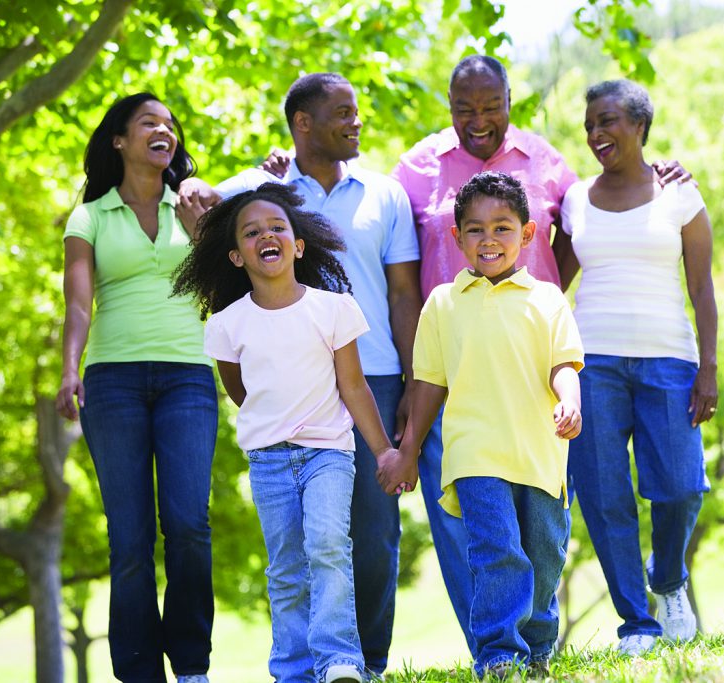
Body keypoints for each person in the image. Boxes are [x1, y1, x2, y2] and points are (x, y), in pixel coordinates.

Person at [387, 54, 693, 651]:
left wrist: (652, 170)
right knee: (482, 533)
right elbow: (401, 277)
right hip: (460, 374)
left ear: (508, 101)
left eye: (490, 107)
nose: (478, 119)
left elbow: (596, 215)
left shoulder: (547, 164)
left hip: (535, 384)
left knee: (543, 536)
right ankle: (496, 648)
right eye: (463, 108)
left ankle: (537, 638)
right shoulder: (415, 170)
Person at [179, 73, 421, 676]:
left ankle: (363, 658)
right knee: (298, 552)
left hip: (374, 375)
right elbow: (205, 206)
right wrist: (192, 184)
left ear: (299, 243)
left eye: (357, 112)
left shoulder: (383, 192)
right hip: (287, 408)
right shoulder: (264, 188)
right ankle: (306, 661)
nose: (356, 122)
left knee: (367, 535)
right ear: (302, 124)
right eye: (343, 112)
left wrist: (414, 383)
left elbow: (401, 294)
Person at [377, 171, 585, 679]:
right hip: (473, 454)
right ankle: (498, 655)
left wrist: (570, 401)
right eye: (475, 230)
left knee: (542, 553)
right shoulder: (443, 304)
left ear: (529, 234)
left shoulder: (548, 300)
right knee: (496, 551)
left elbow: (564, 364)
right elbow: (428, 385)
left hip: (540, 452)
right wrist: (407, 451)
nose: (488, 240)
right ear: (456, 237)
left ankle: (537, 648)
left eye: (502, 228)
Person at [55, 93, 217, 683]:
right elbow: (78, 305)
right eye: (149, 122)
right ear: (120, 141)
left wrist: (206, 219)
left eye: (171, 124)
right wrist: (70, 369)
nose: (164, 130)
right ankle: (140, 673)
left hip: (187, 376)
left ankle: (192, 667)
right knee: (129, 539)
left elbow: (226, 278)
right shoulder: (90, 216)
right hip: (113, 379)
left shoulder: (194, 206)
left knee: (188, 526)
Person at [560, 79, 718, 656]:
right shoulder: (576, 199)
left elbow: (701, 287)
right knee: (604, 496)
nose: (597, 134)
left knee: (680, 485)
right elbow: (555, 281)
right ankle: (638, 623)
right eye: (590, 125)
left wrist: (709, 367)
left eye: (608, 122)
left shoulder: (681, 194)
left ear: (640, 125)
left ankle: (669, 577)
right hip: (592, 361)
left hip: (669, 359)